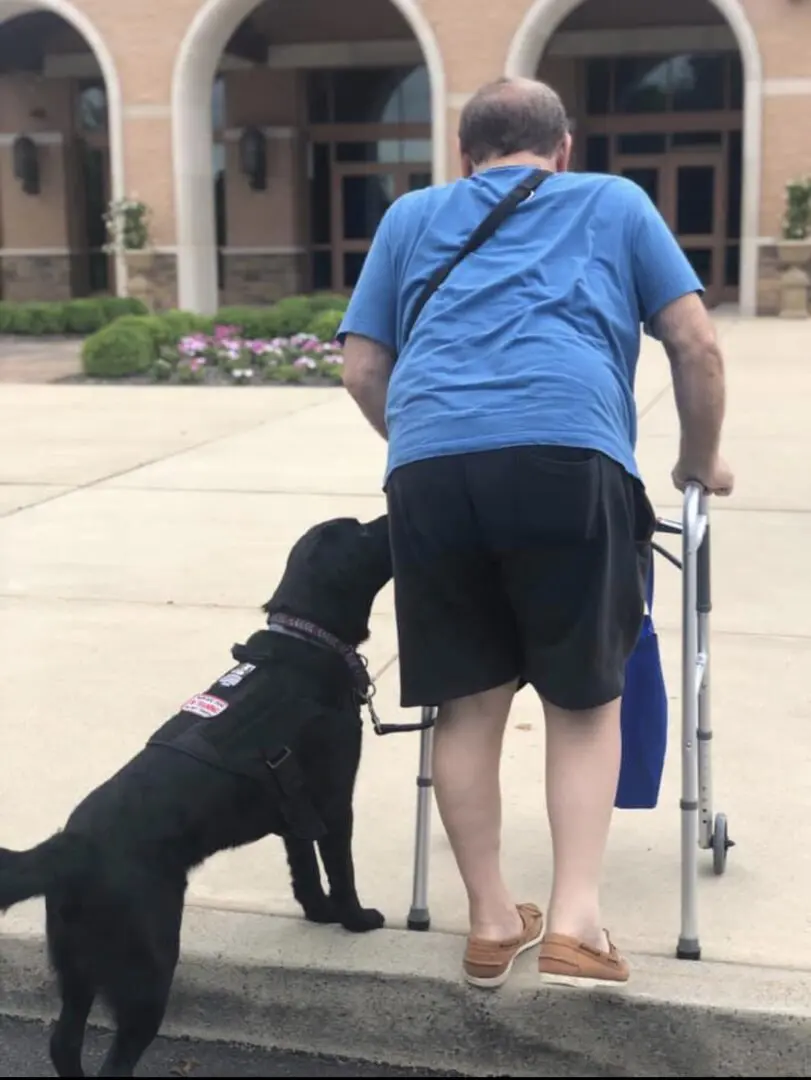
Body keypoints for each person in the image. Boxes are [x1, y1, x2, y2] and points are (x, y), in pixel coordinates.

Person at [338, 76, 733, 990]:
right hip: (568, 457)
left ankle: (486, 922)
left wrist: (433, 443)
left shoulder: (410, 218)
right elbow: (695, 344)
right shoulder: (613, 199)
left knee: (469, 704)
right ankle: (573, 923)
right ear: (562, 149)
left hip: (431, 471)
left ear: (463, 153)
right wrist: (698, 461)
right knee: (584, 703)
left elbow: (362, 369)